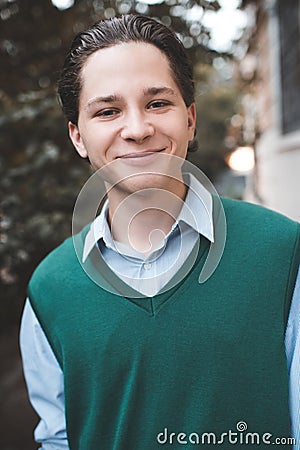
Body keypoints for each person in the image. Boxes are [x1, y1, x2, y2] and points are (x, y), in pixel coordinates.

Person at [20, 14, 300, 450]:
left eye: (157, 103)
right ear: (78, 136)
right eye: (108, 111)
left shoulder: (283, 253)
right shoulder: (50, 289)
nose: (137, 129)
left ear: (189, 119)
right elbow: (59, 440)